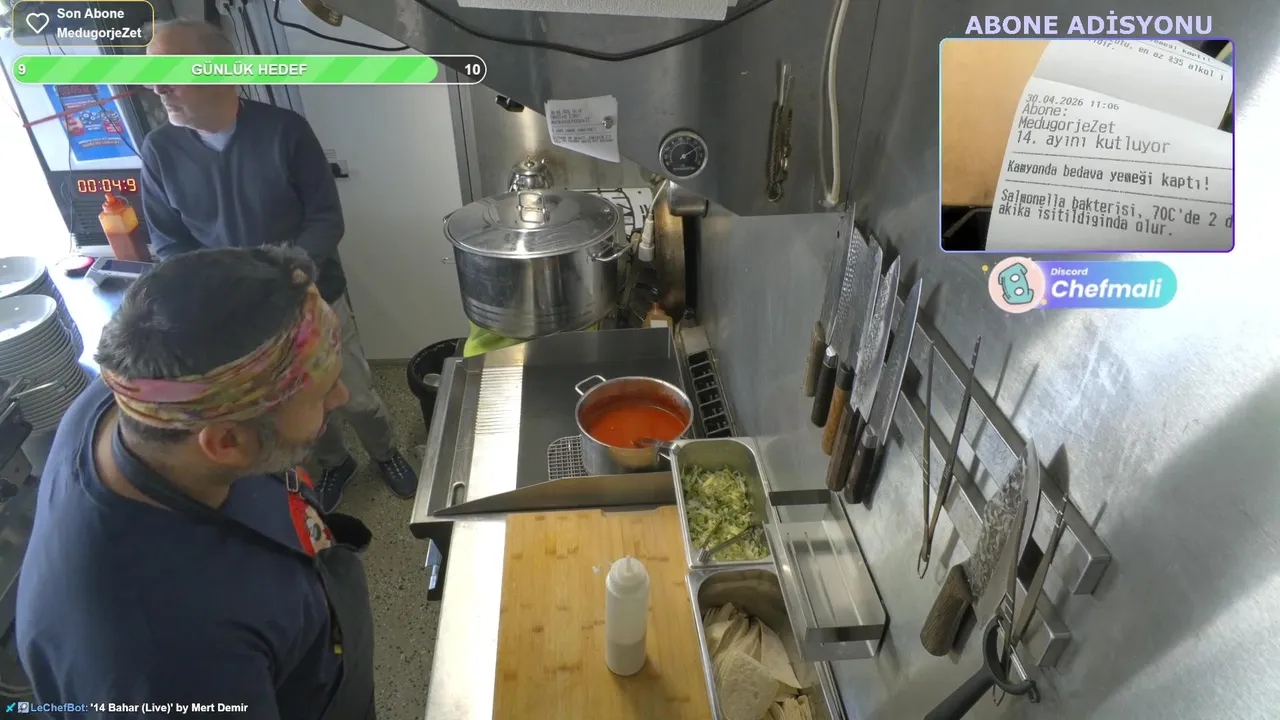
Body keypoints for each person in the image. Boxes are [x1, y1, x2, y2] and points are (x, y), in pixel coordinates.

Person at [17, 247, 376, 718]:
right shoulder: (162, 659)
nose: (341, 396)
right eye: (321, 393)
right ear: (227, 442)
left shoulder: (146, 397)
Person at [138, 18, 415, 511]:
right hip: (241, 317)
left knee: (352, 394)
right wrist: (223, 297)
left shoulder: (285, 131)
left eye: (172, 73)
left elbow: (325, 218)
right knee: (290, 404)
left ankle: (385, 451)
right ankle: (336, 462)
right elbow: (168, 241)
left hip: (312, 294)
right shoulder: (160, 150)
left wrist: (287, 279)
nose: (157, 88)